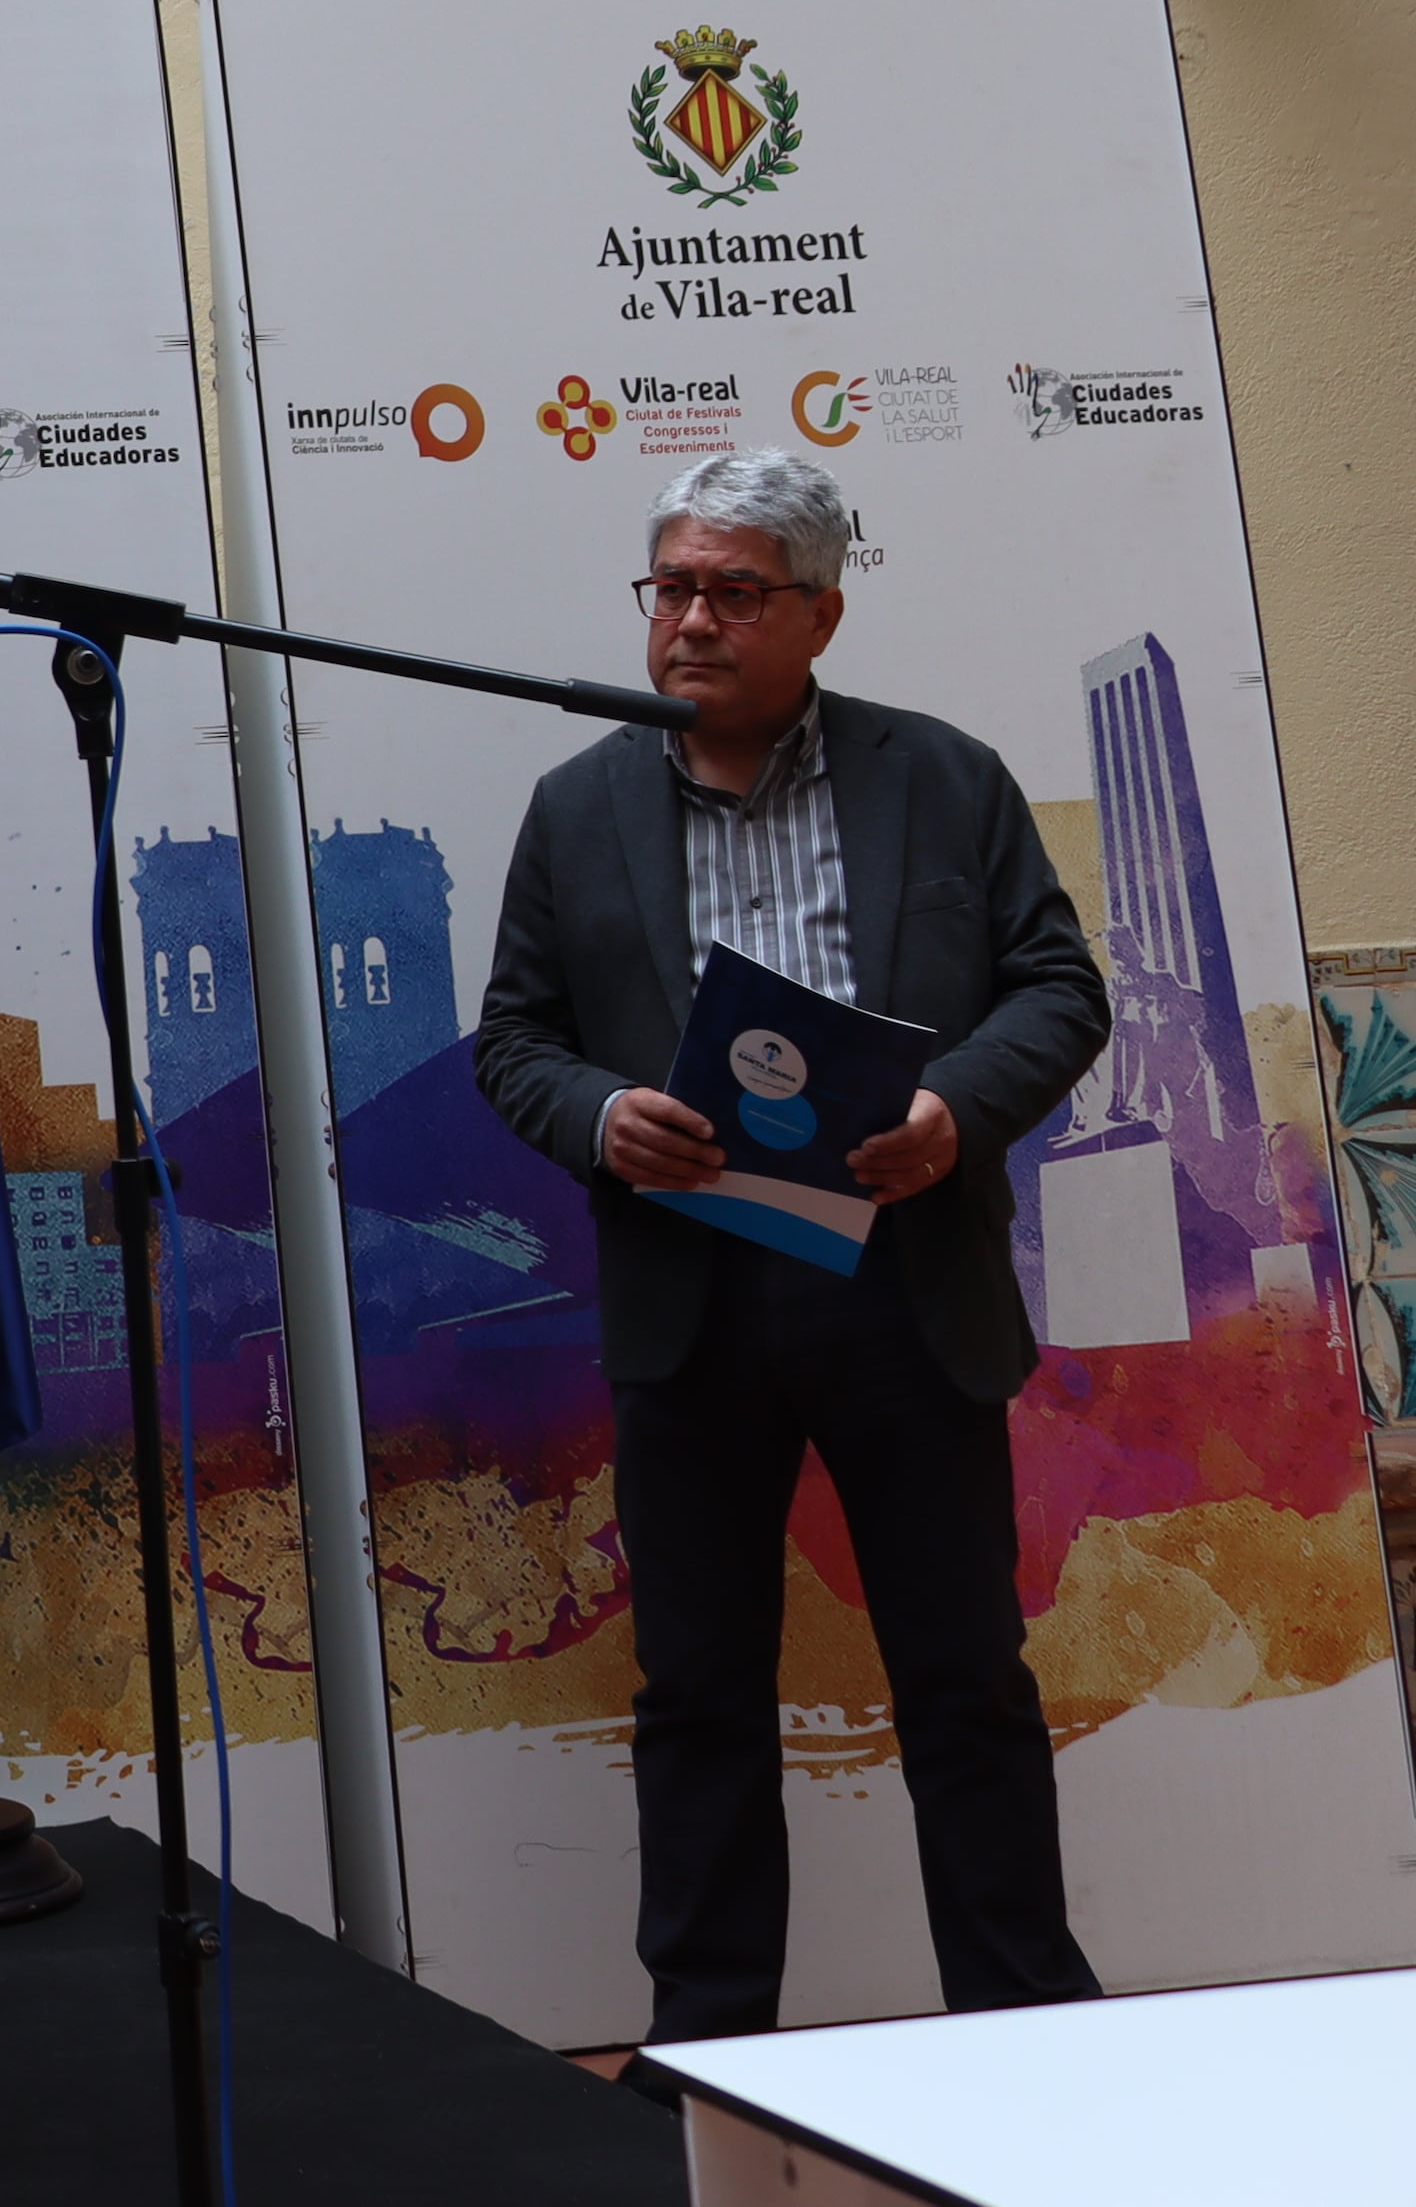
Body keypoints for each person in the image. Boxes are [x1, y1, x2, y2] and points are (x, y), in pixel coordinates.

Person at [475, 448, 1108, 2046]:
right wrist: (600, 1111)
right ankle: (707, 2051)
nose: (692, 621)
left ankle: (1028, 2037)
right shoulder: (579, 804)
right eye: (672, 586)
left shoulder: (943, 778)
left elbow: (1058, 989)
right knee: (697, 1696)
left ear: (821, 611)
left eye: (735, 591)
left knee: (964, 1680)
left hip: (904, 1290)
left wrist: (954, 1108)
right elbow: (513, 1040)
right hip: (692, 1300)